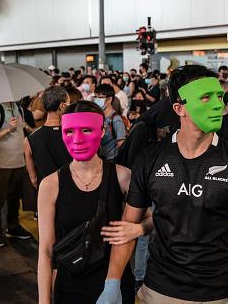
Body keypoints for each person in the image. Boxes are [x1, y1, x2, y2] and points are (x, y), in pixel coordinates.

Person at [97, 65, 228, 304]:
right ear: (179, 108)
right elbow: (128, 227)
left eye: (218, 96)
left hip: (215, 292)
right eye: (205, 97)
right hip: (158, 290)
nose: (217, 105)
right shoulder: (151, 159)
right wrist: (112, 282)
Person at [37, 101, 153, 304]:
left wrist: (140, 229)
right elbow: (46, 250)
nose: (78, 140)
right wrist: (43, 301)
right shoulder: (51, 184)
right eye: (70, 132)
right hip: (70, 284)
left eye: (87, 130)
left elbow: (153, 218)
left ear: (102, 131)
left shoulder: (123, 177)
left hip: (113, 281)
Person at [0, 100, 32, 246]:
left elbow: (22, 132)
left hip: (18, 161)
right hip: (0, 163)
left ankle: (13, 227)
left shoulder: (18, 108)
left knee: (15, 198)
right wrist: (8, 129)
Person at [24, 86, 72, 189]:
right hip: (70, 190)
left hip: (45, 193)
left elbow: (33, 179)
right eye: (69, 103)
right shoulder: (72, 134)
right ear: (62, 106)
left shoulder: (30, 139)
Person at [94, 84, 126, 162]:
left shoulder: (116, 119)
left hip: (111, 159)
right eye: (95, 97)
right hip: (98, 158)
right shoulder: (97, 117)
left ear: (109, 99)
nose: (97, 100)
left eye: (100, 97)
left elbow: (121, 144)